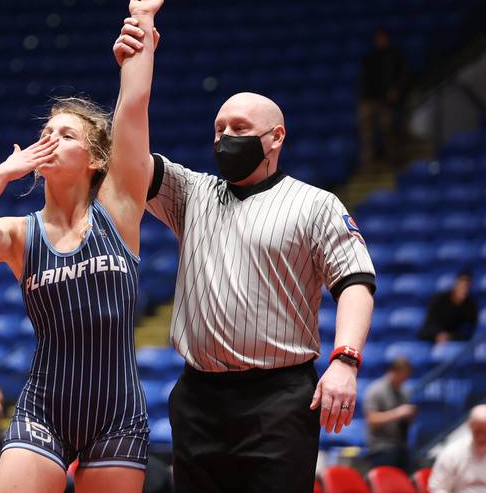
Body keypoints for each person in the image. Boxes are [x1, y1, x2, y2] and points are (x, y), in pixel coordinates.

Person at [113, 34, 376, 492]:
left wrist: (345, 361)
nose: (225, 137)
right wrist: (136, 67)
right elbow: (129, 157)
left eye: (238, 127)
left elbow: (355, 281)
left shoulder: (315, 204)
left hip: (278, 398)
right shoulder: (192, 193)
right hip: (198, 396)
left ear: (276, 137)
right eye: (219, 128)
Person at [0, 0, 163, 493]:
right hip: (43, 408)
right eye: (45, 133)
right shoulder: (20, 234)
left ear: (96, 157)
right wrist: (0, 175)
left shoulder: (120, 207)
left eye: (67, 134)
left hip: (117, 412)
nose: (50, 140)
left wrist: (143, 25)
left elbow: (133, 107)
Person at [357, 27, 409, 170]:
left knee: (388, 128)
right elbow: (363, 79)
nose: (380, 42)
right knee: (367, 134)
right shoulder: (369, 57)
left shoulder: (395, 56)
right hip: (369, 99)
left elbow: (402, 77)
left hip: (386, 102)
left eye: (383, 38)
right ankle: (368, 167)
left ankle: (393, 162)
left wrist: (395, 92)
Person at [364, 357, 416, 471]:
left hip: (401, 446)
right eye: (404, 375)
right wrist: (398, 413)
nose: (406, 379)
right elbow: (372, 420)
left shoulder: (404, 391)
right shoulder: (376, 390)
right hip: (381, 449)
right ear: (394, 372)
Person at [429, 404, 486, 492]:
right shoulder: (452, 453)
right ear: (470, 426)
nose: (482, 436)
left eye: (485, 431)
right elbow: (438, 488)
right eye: (478, 431)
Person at [419, 270, 478, 343]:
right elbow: (430, 322)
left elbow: (468, 330)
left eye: (467, 287)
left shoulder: (470, 306)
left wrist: (450, 336)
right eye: (462, 285)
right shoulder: (439, 299)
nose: (464, 289)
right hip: (432, 337)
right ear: (456, 284)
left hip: (454, 340)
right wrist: (439, 334)